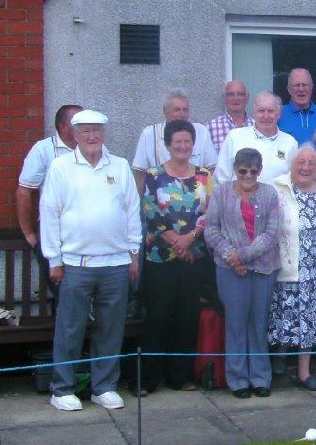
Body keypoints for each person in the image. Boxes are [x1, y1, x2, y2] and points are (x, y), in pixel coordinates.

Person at [41, 109, 141, 412]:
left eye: (97, 130)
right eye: (85, 131)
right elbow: (50, 214)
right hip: (75, 264)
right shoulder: (60, 167)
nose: (92, 136)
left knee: (110, 329)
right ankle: (62, 388)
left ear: (104, 133)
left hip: (115, 263)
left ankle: (104, 386)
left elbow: (131, 212)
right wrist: (53, 259)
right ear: (74, 134)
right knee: (70, 328)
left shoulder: (120, 166)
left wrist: (133, 254)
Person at [136, 119, 213, 395]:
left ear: (194, 145)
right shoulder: (154, 175)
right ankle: (147, 380)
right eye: (177, 141)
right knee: (157, 316)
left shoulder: (204, 175)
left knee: (187, 317)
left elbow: (208, 214)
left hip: (193, 257)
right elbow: (150, 211)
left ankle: (180, 377)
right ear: (168, 145)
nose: (182, 146)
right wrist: (175, 240)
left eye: (187, 141)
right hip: (160, 257)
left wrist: (189, 240)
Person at [204, 148, 281, 398]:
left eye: (254, 171)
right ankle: (237, 380)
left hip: (263, 267)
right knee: (236, 324)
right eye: (243, 170)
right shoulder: (221, 191)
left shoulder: (269, 193)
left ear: (260, 171)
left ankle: (260, 378)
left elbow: (271, 232)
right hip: (229, 268)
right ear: (235, 169)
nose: (248, 175)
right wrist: (232, 256)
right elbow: (211, 230)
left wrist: (245, 255)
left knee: (258, 324)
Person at [269, 147, 316, 391]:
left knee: (308, 319)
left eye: (310, 163)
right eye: (300, 162)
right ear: (291, 165)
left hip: (314, 268)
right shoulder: (278, 187)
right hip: (287, 264)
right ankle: (279, 359)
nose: (305, 167)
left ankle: (304, 373)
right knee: (284, 318)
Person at [17, 103, 82, 305]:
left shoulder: (94, 148)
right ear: (63, 127)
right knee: (65, 290)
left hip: (85, 231)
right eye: (79, 123)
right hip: (54, 230)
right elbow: (24, 191)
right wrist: (29, 233)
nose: (86, 128)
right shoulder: (44, 150)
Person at [133, 89, 217, 190]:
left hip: (197, 195)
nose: (182, 114)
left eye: (185, 110)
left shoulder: (201, 131)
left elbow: (212, 170)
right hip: (159, 198)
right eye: (177, 110)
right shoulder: (149, 134)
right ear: (165, 111)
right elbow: (139, 174)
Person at [215, 92, 298, 184]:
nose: (266, 116)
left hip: (278, 198)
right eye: (261, 111)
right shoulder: (234, 137)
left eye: (270, 111)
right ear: (254, 113)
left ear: (278, 114)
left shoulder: (290, 143)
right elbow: (221, 179)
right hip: (238, 198)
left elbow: (294, 181)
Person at [278, 68, 316, 146]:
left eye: (305, 85)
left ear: (311, 88)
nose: (301, 89)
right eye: (296, 85)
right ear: (289, 89)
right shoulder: (279, 113)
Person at [207, 80, 255, 152]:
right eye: (231, 94)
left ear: (247, 98)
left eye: (240, 94)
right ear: (224, 98)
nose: (236, 98)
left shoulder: (256, 126)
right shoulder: (210, 127)